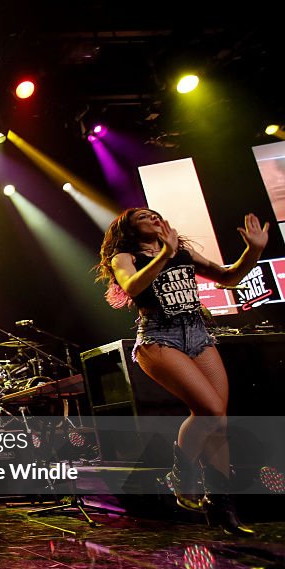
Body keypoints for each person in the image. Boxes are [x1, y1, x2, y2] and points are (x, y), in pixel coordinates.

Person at [95, 209, 267, 535]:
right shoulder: (125, 256)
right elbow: (132, 286)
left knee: (217, 421)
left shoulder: (182, 252)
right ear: (129, 228)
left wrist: (254, 251)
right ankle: (181, 476)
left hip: (199, 336)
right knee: (211, 409)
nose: (154, 218)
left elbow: (228, 277)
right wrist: (163, 255)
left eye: (156, 214)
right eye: (145, 216)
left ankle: (223, 509)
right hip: (159, 338)